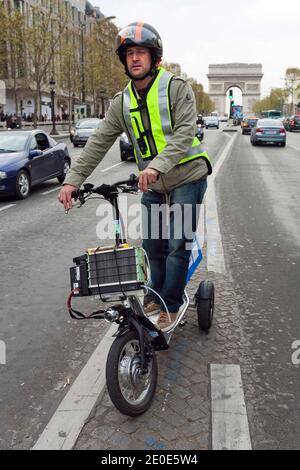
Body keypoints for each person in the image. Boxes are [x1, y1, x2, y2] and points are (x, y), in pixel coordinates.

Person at [58, 22, 212, 331]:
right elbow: (99, 141)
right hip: (153, 183)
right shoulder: (122, 102)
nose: (135, 58)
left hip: (186, 175)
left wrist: (156, 165)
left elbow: (185, 133)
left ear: (155, 58)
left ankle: (170, 302)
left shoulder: (176, 87)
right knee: (153, 245)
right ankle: (155, 293)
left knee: (177, 244)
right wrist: (72, 180)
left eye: (141, 52)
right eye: (129, 54)